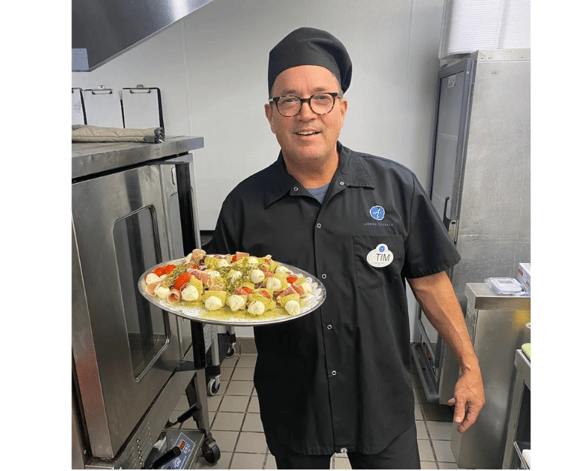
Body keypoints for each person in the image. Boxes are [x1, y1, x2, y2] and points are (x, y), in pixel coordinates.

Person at [204, 27, 484, 469]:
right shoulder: (244, 204)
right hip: (296, 403)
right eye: (288, 100)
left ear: (342, 108)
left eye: (321, 97)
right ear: (271, 114)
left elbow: (431, 283)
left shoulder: (395, 188)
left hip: (381, 401)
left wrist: (469, 365)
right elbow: (215, 291)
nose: (305, 113)